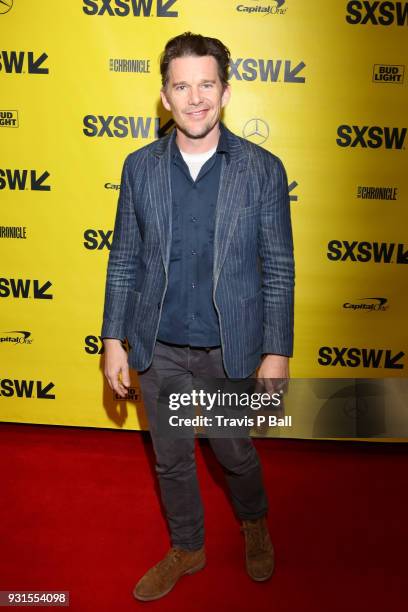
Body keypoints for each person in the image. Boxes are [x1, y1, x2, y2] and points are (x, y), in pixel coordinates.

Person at [101, 32, 295, 602]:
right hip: (157, 346)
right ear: (164, 97)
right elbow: (124, 260)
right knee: (171, 459)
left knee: (233, 450)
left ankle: (253, 522)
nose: (194, 98)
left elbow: (279, 266)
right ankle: (188, 547)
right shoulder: (139, 167)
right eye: (181, 86)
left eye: (205, 84)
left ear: (225, 91)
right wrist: (113, 337)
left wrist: (277, 348)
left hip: (227, 347)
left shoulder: (261, 169)